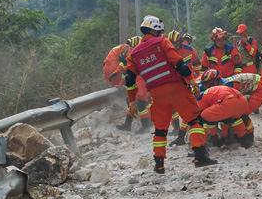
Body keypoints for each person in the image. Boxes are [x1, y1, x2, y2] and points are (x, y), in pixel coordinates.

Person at [124, 15, 216, 173]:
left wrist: (132, 102)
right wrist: (192, 82)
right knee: (194, 119)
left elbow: (129, 79)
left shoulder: (134, 53)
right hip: (176, 88)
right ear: (155, 30)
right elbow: (180, 65)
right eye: (160, 31)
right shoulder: (162, 42)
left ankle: (159, 165)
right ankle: (200, 157)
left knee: (160, 130)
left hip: (157, 94)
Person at [103, 37, 151, 133]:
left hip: (143, 82)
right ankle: (128, 125)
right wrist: (119, 78)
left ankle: (146, 126)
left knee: (141, 103)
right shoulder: (133, 55)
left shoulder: (141, 56)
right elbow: (125, 68)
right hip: (137, 81)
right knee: (131, 101)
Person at [197, 78, 254, 149]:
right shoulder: (212, 91)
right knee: (235, 119)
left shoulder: (199, 99)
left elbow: (206, 116)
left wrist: (213, 134)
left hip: (229, 102)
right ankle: (245, 141)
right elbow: (224, 119)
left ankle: (203, 144)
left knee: (203, 116)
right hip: (243, 101)